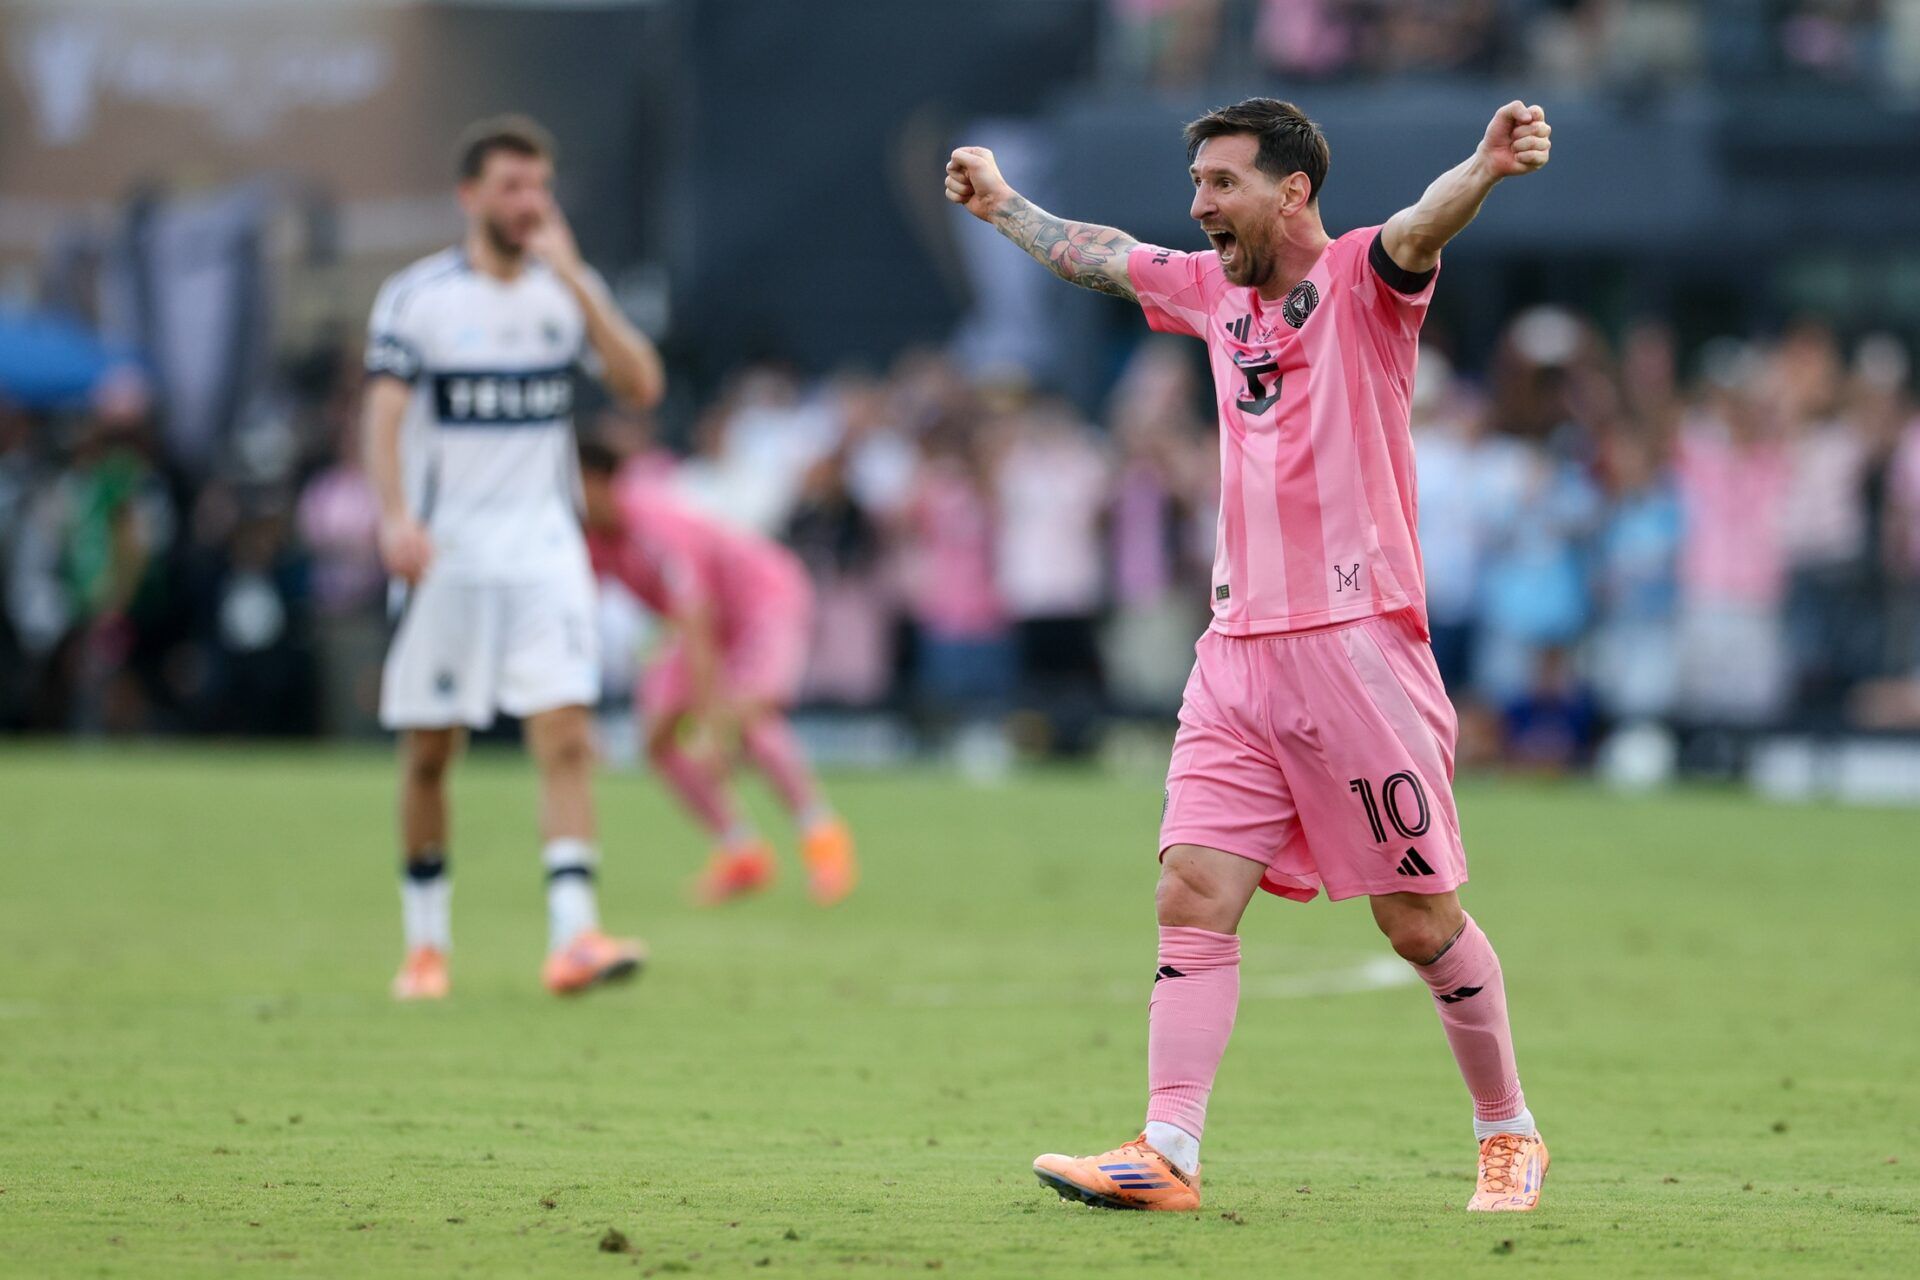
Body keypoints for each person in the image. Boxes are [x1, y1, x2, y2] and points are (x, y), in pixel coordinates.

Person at [945, 96, 1553, 1212]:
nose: (1200, 205)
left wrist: (1484, 167)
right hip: (1235, 651)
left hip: (1356, 650)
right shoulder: (1211, 293)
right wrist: (1005, 207)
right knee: (1191, 887)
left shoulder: (1365, 279)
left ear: (1293, 190)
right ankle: (1167, 1147)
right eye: (1197, 184)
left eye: (1222, 182)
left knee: (1416, 921)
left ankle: (1508, 1128)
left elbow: (1423, 222)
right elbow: (1104, 256)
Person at [364, 115, 665, 1000]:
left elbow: (641, 386)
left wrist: (577, 281)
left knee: (565, 735)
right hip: (447, 553)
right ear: (471, 196)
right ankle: (426, 944)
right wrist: (394, 518)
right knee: (431, 752)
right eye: (511, 186)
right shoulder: (418, 298)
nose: (529, 202)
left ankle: (574, 937)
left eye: (539, 185)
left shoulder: (562, 291)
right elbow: (383, 415)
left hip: (543, 550)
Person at [577, 441, 858, 907]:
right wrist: (577, 713)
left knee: (745, 715)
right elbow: (577, 619)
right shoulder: (588, 537)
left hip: (763, 600)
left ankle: (823, 837)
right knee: (657, 737)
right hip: (705, 623)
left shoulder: (654, 525)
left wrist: (711, 725)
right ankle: (741, 852)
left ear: (599, 480)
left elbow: (697, 619)